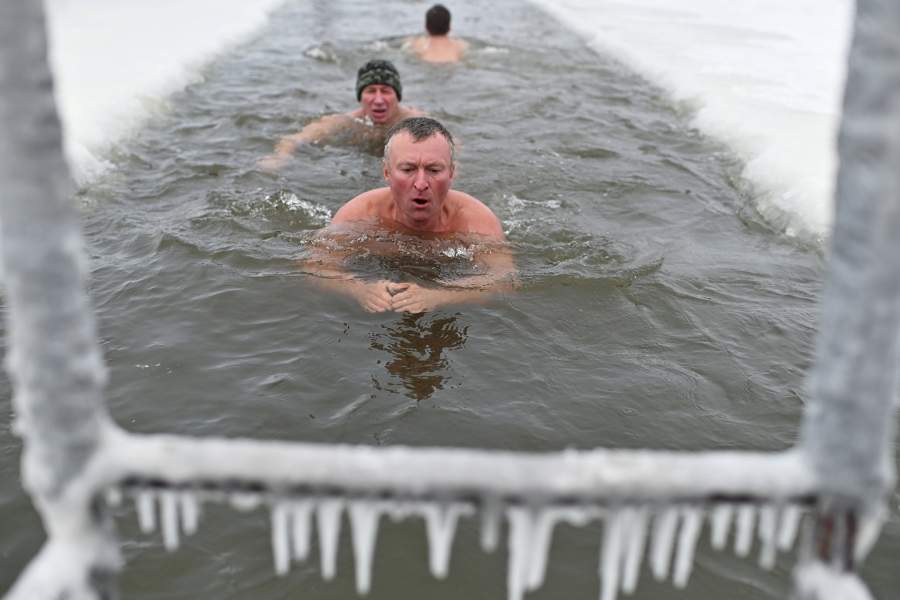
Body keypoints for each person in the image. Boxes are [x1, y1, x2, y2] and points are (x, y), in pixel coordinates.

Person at [308, 117, 515, 313]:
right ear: (387, 172)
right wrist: (359, 289)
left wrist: (440, 296)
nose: (421, 183)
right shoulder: (359, 215)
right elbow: (316, 267)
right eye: (408, 169)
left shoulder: (474, 221)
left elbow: (505, 281)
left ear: (451, 173)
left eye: (434, 169)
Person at [258, 59, 424, 170]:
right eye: (371, 91)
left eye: (386, 91)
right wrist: (280, 157)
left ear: (397, 96)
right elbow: (297, 137)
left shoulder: (414, 121)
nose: (378, 99)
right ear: (360, 97)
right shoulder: (346, 121)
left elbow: (445, 142)